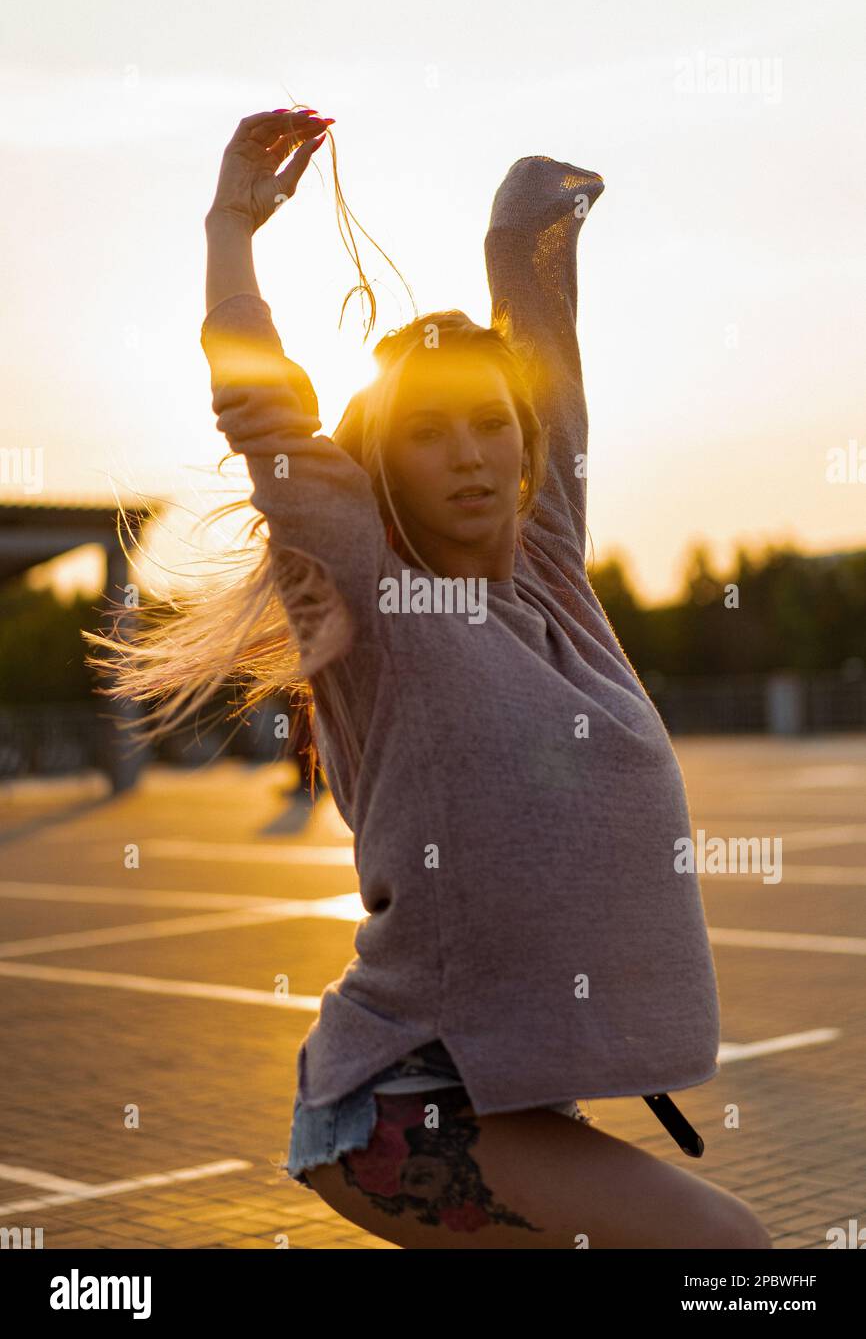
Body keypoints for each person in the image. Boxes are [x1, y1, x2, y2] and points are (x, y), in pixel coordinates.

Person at [92, 107, 772, 1249]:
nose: (467, 455)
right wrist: (230, 226)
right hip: (401, 1108)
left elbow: (547, 358)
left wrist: (525, 228)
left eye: (487, 428)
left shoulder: (551, 576)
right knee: (730, 1261)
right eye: (426, 434)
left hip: (505, 1097)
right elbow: (260, 409)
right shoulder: (376, 593)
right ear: (378, 461)